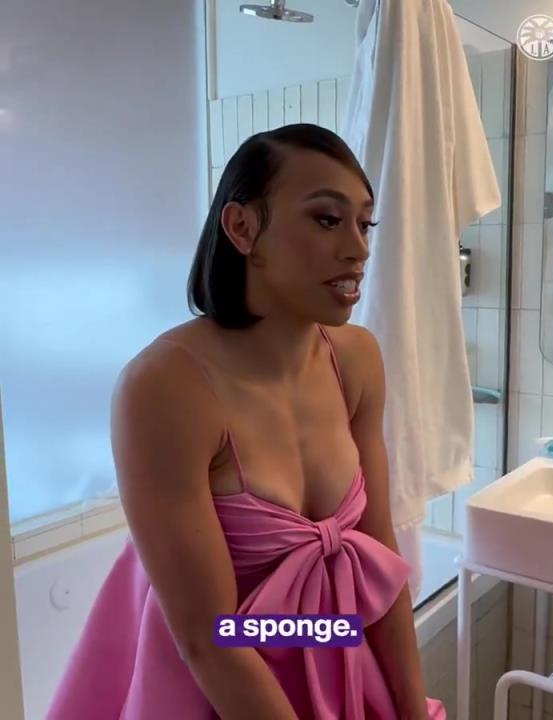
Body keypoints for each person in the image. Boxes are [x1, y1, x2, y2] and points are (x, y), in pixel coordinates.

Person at [46, 124, 446, 719]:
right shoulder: (166, 386)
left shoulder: (356, 359)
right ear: (242, 228)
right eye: (328, 219)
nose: (358, 249)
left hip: (334, 657)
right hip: (213, 690)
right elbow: (211, 638)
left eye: (365, 224)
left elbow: (379, 557)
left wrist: (411, 712)